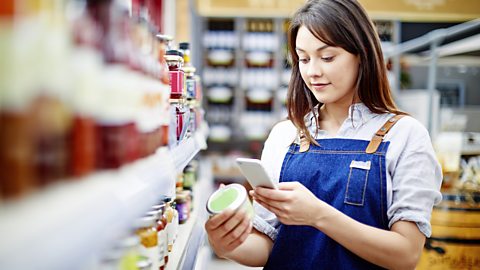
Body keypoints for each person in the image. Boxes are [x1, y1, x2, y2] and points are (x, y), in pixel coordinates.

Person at [205, 0, 443, 269]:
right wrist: (227, 243)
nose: (312, 72)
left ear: (362, 54)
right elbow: (268, 245)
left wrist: (318, 215)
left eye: (327, 57)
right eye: (303, 59)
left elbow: (406, 254)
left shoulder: (405, 135)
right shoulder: (285, 135)